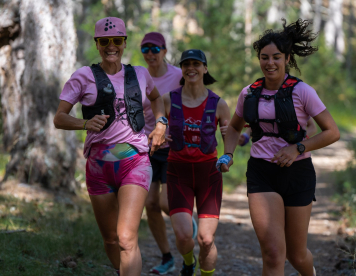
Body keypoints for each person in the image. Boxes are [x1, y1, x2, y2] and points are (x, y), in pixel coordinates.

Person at [216, 19, 340, 276]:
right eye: (264, 57)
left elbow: (332, 132)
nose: (269, 63)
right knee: (273, 254)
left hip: (298, 174)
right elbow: (236, 127)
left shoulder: (302, 91)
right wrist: (228, 154)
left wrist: (298, 148)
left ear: (287, 58)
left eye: (276, 57)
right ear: (258, 59)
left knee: (296, 255)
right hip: (261, 173)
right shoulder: (248, 93)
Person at [53, 17, 167, 276]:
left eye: (117, 40)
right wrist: (85, 124)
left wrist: (160, 124)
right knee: (111, 240)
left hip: (134, 159)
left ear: (125, 43)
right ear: (97, 44)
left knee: (127, 238)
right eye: (105, 42)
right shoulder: (83, 77)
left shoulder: (139, 74)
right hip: (98, 166)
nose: (111, 46)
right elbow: (59, 117)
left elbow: (156, 98)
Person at [162, 49, 230, 276]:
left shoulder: (218, 104)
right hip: (177, 173)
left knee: (206, 238)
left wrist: (227, 157)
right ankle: (189, 263)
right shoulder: (168, 100)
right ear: (181, 69)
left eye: (196, 64)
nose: (191, 68)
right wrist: (159, 135)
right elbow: (157, 129)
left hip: (208, 174)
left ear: (205, 68)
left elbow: (228, 137)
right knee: (183, 237)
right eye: (186, 64)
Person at [140, 32, 197, 275]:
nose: (150, 53)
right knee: (150, 204)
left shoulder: (177, 76)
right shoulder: (139, 77)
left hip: (174, 146)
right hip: (147, 146)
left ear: (164, 51)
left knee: (165, 202)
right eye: (146, 49)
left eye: (155, 48)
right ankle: (166, 258)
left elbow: (193, 99)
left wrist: (184, 131)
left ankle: (188, 224)